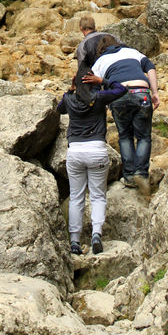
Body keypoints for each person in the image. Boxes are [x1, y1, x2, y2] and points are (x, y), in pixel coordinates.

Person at [57, 65, 127, 256]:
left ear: (76, 83)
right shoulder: (99, 98)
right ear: (91, 81)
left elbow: (59, 109)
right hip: (96, 150)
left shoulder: (69, 99)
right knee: (97, 195)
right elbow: (122, 89)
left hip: (75, 152)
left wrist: (71, 90)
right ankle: (96, 234)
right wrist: (102, 81)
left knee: (76, 196)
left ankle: (74, 241)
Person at [87, 35, 159, 197]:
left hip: (118, 95)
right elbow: (151, 67)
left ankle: (129, 177)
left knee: (125, 136)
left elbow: (93, 86)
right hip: (141, 91)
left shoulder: (99, 62)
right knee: (144, 137)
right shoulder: (132, 52)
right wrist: (155, 92)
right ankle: (141, 174)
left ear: (100, 50)